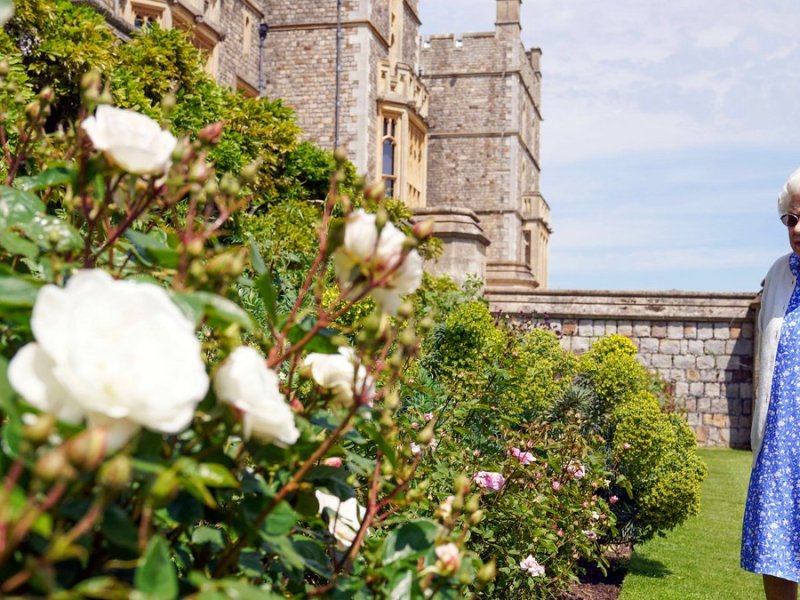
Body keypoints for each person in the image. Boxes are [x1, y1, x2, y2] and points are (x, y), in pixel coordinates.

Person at [742, 167, 800, 600]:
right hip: (782, 445)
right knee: (777, 555)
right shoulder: (779, 274)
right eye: (791, 219)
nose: (797, 229)